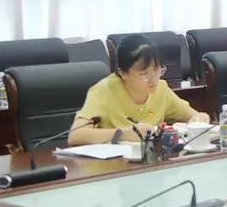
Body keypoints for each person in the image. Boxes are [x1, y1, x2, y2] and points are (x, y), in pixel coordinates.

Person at [68, 34, 209, 146]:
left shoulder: (160, 88)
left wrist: (199, 119)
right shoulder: (103, 92)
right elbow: (75, 136)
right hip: (113, 167)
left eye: (157, 69)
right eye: (144, 74)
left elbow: (194, 115)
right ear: (123, 73)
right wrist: (123, 134)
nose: (153, 79)